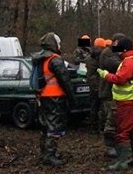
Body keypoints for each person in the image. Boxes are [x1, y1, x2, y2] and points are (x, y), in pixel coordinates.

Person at [97, 37, 133, 170]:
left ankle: (122, 161)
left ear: (124, 48)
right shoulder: (132, 59)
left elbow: (120, 78)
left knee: (122, 130)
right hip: (132, 100)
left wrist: (105, 75)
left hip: (127, 102)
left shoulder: (128, 62)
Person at [32, 32, 76, 166]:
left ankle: (44, 153)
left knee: (45, 125)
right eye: (59, 42)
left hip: (42, 95)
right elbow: (65, 80)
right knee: (55, 126)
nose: (60, 45)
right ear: (54, 44)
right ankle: (50, 155)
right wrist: (72, 98)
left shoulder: (40, 58)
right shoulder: (55, 59)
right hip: (55, 97)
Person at [98, 33, 125, 157]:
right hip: (108, 91)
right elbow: (116, 65)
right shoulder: (107, 54)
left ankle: (115, 143)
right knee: (111, 118)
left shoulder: (114, 53)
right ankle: (109, 146)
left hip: (114, 91)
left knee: (115, 118)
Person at [85, 37, 106, 131]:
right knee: (102, 107)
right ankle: (102, 127)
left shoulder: (89, 57)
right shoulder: (103, 57)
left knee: (93, 107)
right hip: (101, 85)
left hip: (92, 84)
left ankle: (93, 128)